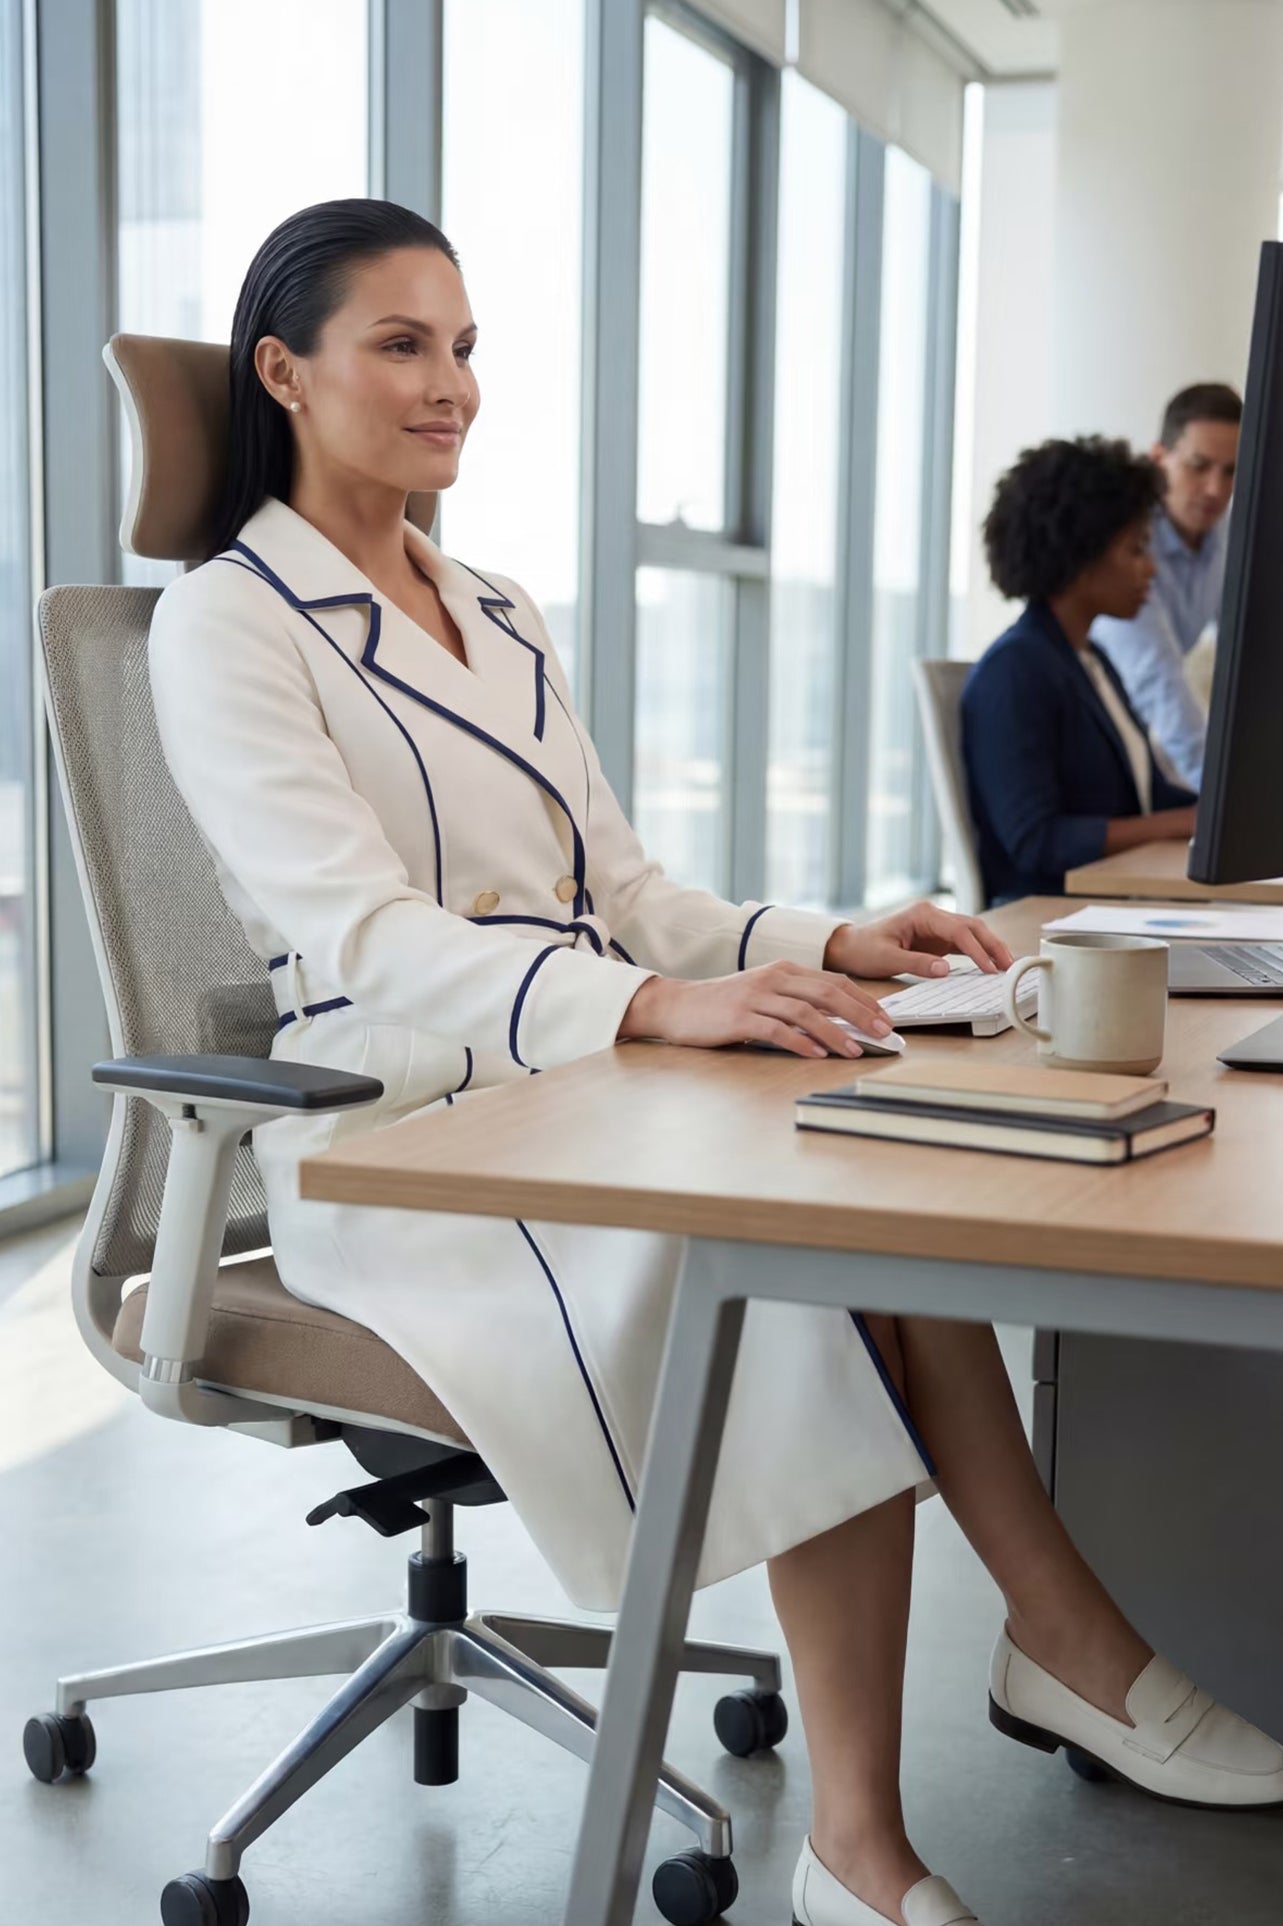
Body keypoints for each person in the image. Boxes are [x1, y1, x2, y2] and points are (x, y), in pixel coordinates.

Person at [149, 203, 1282, 1926]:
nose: (452, 383)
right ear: (283, 373)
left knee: (868, 1195)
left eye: (464, 345)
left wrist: (817, 939)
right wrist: (639, 1008)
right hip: (398, 1140)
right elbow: (365, 936)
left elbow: (631, 892)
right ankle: (878, 1833)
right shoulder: (226, 623)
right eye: (402, 344)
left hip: (574, 1080)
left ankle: (1054, 1650)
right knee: (787, 1275)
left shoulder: (498, 608)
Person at [963, 437, 1199, 908]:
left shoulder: (1089, 660)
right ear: (1082, 558)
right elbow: (1037, 841)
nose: (1150, 569)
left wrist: (1223, 817)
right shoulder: (1016, 670)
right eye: (1136, 550)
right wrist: (1181, 823)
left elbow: (1148, 795)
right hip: (1049, 922)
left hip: (1110, 911)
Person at [1091, 382, 1241, 790]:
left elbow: (1252, 653)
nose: (1216, 489)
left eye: (1231, 472)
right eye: (1198, 465)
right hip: (1091, 736)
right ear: (1159, 459)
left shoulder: (1228, 539)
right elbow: (1160, 681)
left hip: (1144, 744)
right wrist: (1223, 796)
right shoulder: (1128, 543)